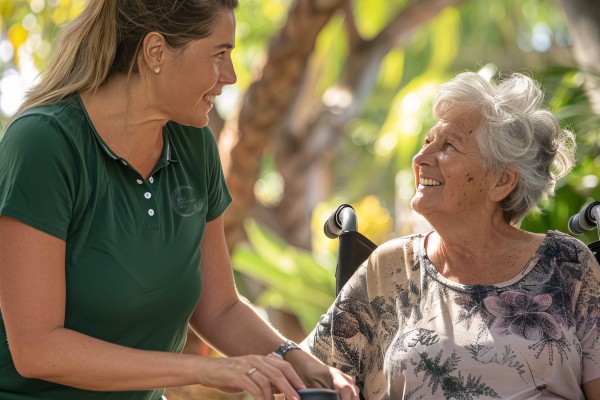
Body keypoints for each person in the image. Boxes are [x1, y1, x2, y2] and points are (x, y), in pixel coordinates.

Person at [0, 1, 359, 399]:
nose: (231, 75)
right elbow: (37, 349)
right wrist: (204, 370)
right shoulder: (42, 145)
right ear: (156, 51)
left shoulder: (193, 143)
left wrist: (298, 362)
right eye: (219, 54)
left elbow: (219, 308)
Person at [302, 71, 600, 399]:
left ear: (501, 181)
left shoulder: (568, 267)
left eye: (448, 146)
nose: (420, 158)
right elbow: (308, 371)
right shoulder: (389, 269)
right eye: (428, 141)